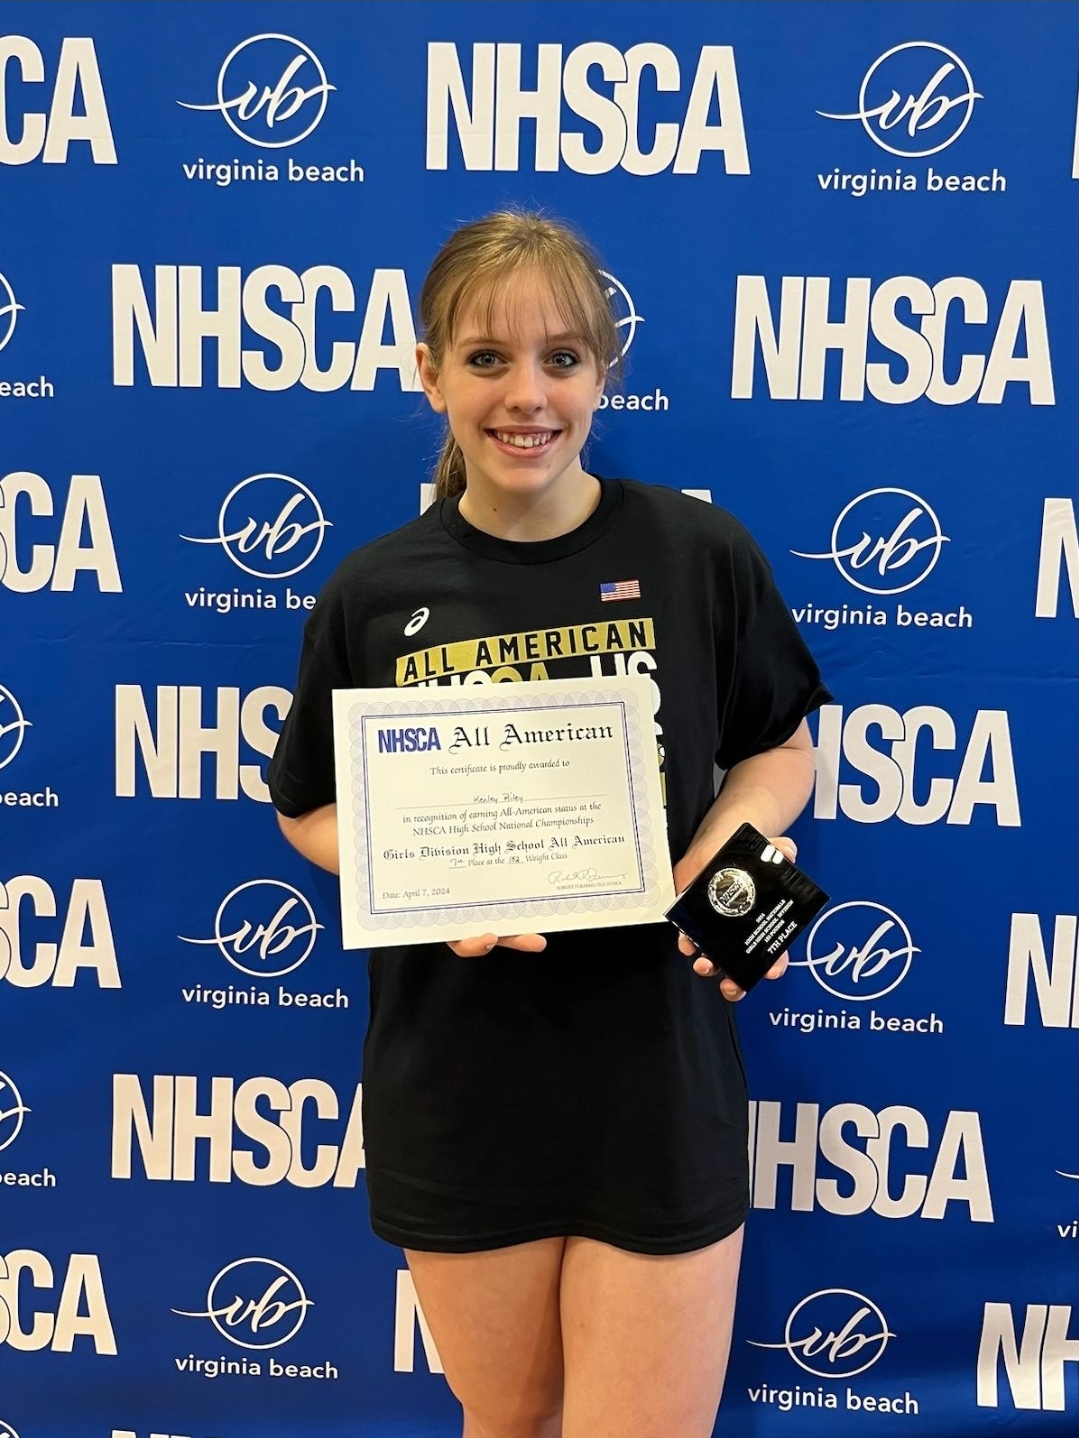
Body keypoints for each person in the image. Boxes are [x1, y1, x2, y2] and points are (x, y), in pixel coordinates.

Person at [268, 210, 830, 1438]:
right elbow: (306, 806)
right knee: (506, 1423)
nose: (526, 395)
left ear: (600, 373)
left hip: (656, 1076)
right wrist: (423, 878)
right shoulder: (372, 590)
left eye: (561, 358)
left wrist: (725, 850)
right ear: (430, 373)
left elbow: (780, 747)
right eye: (487, 358)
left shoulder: (694, 551)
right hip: (460, 1082)